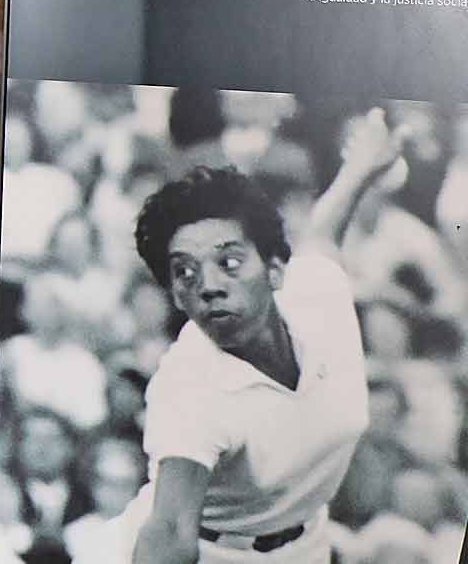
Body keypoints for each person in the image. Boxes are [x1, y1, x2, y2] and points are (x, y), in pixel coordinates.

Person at [115, 109, 405, 563]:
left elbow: (325, 231)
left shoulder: (316, 292)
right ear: (177, 298)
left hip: (306, 545)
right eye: (185, 273)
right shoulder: (187, 387)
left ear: (275, 270)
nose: (208, 285)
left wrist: (362, 167)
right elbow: (170, 529)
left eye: (229, 262)